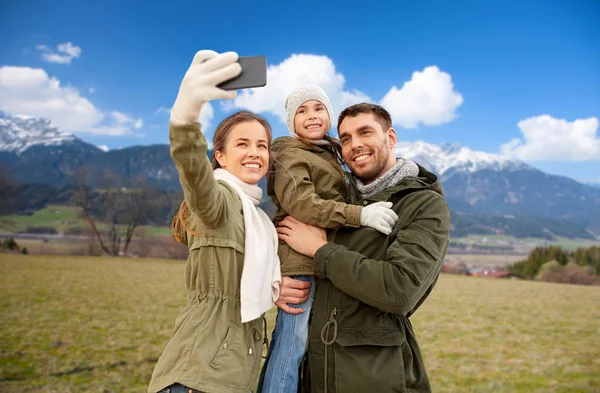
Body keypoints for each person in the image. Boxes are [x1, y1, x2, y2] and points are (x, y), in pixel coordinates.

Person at [275, 103, 451, 393]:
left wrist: (321, 251)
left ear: (390, 138)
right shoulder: (333, 198)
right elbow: (285, 231)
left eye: (365, 132)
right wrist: (276, 282)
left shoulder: (424, 204)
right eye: (345, 138)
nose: (355, 145)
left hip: (375, 376)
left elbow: (400, 289)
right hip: (312, 375)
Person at [147, 50, 281, 393]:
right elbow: (193, 169)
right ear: (219, 156)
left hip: (231, 377)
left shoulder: (257, 218)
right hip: (198, 378)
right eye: (243, 144)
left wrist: (276, 289)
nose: (255, 152)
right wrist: (186, 112)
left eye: (262, 145)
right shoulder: (219, 202)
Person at [258, 86, 398, 393]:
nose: (311, 116)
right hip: (300, 263)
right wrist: (359, 216)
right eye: (302, 111)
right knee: (292, 342)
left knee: (310, 343)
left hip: (323, 257)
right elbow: (302, 204)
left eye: (318, 108)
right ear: (290, 121)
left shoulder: (327, 151)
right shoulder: (289, 154)